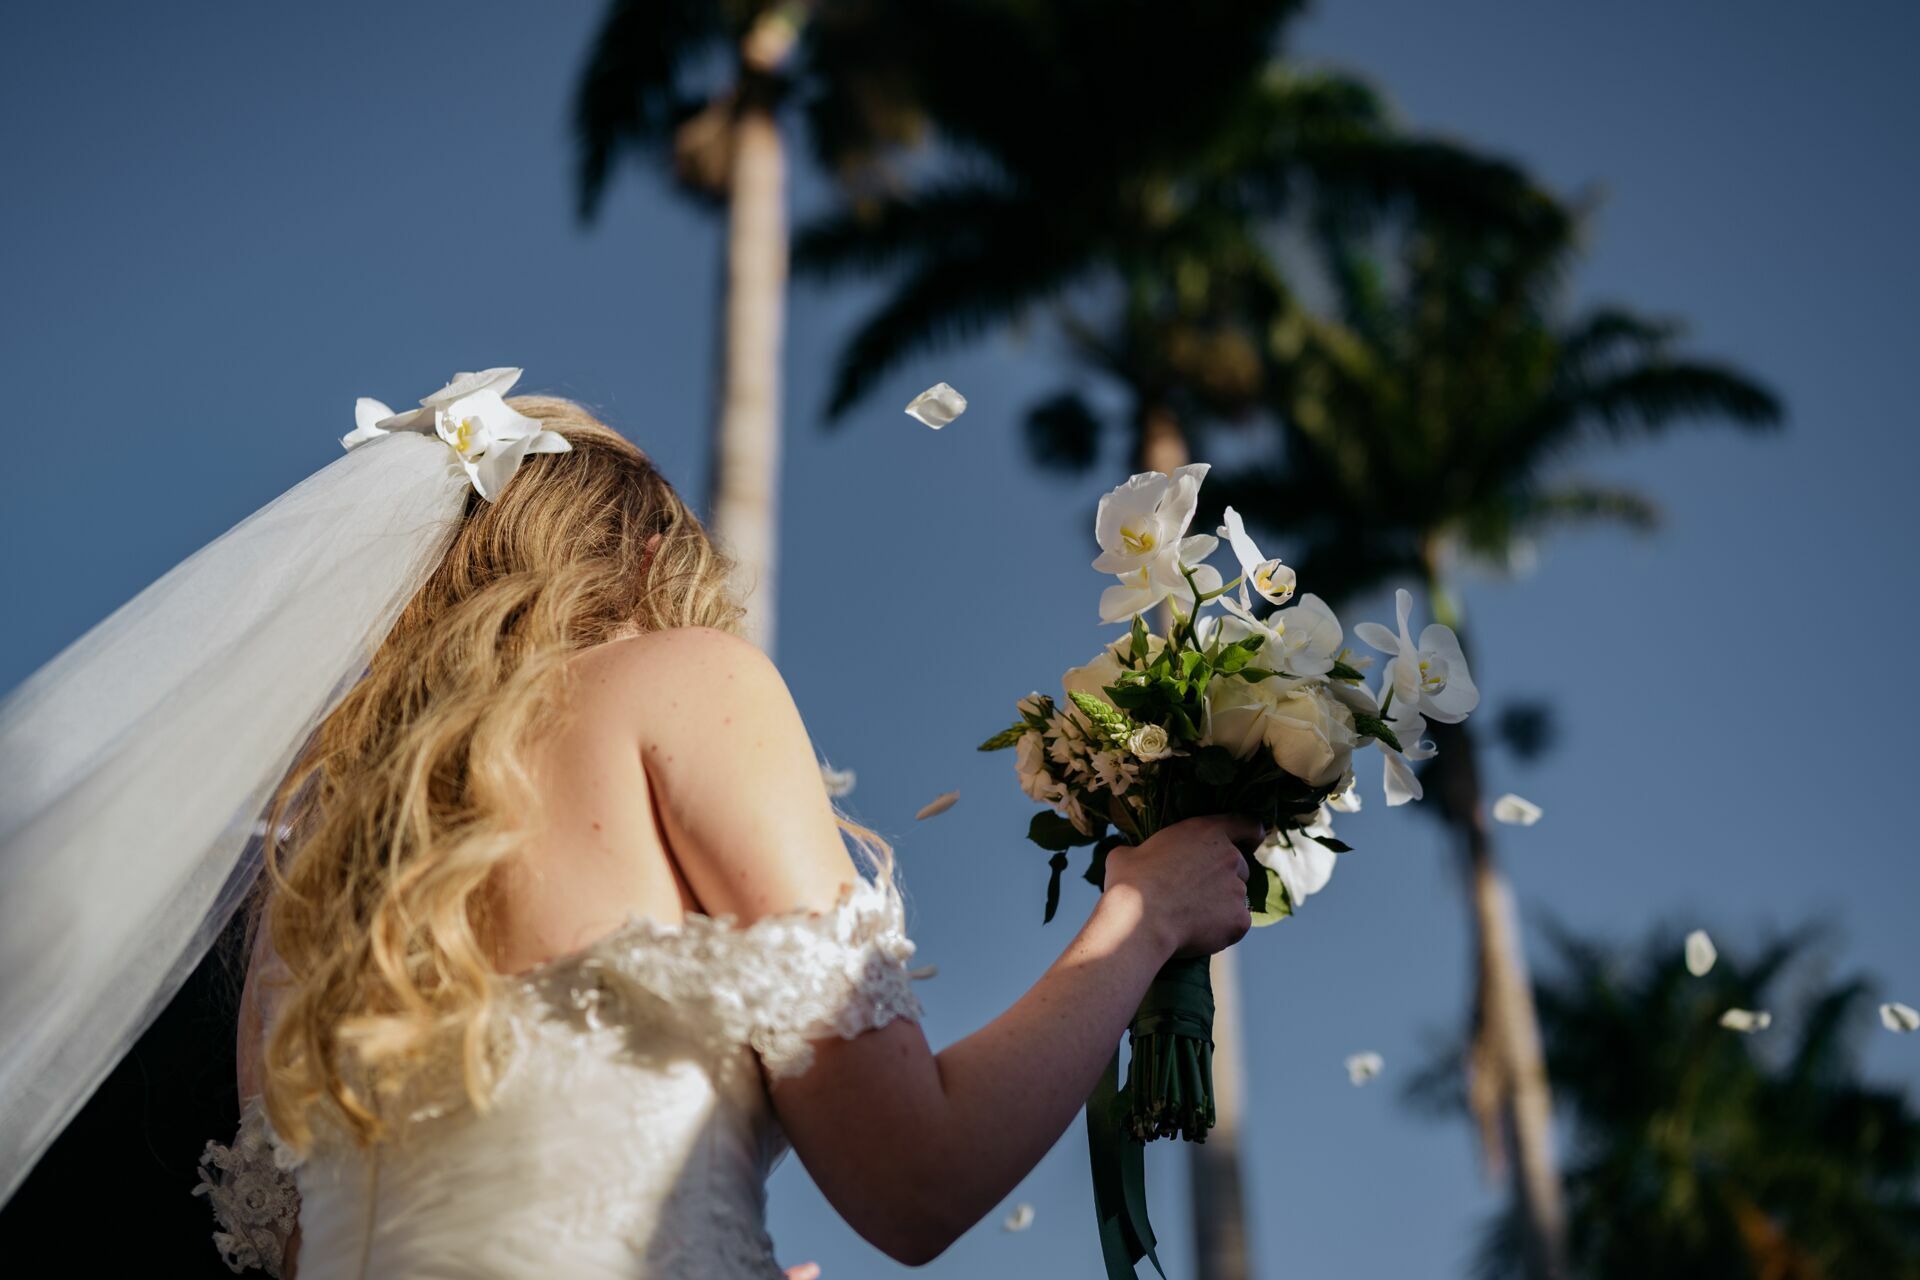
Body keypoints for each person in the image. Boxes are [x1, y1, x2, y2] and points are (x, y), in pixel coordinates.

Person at [0, 374, 1259, 1278]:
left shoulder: (304, 886)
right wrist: (1142, 911)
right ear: (650, 549)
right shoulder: (680, 677)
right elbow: (913, 1180)